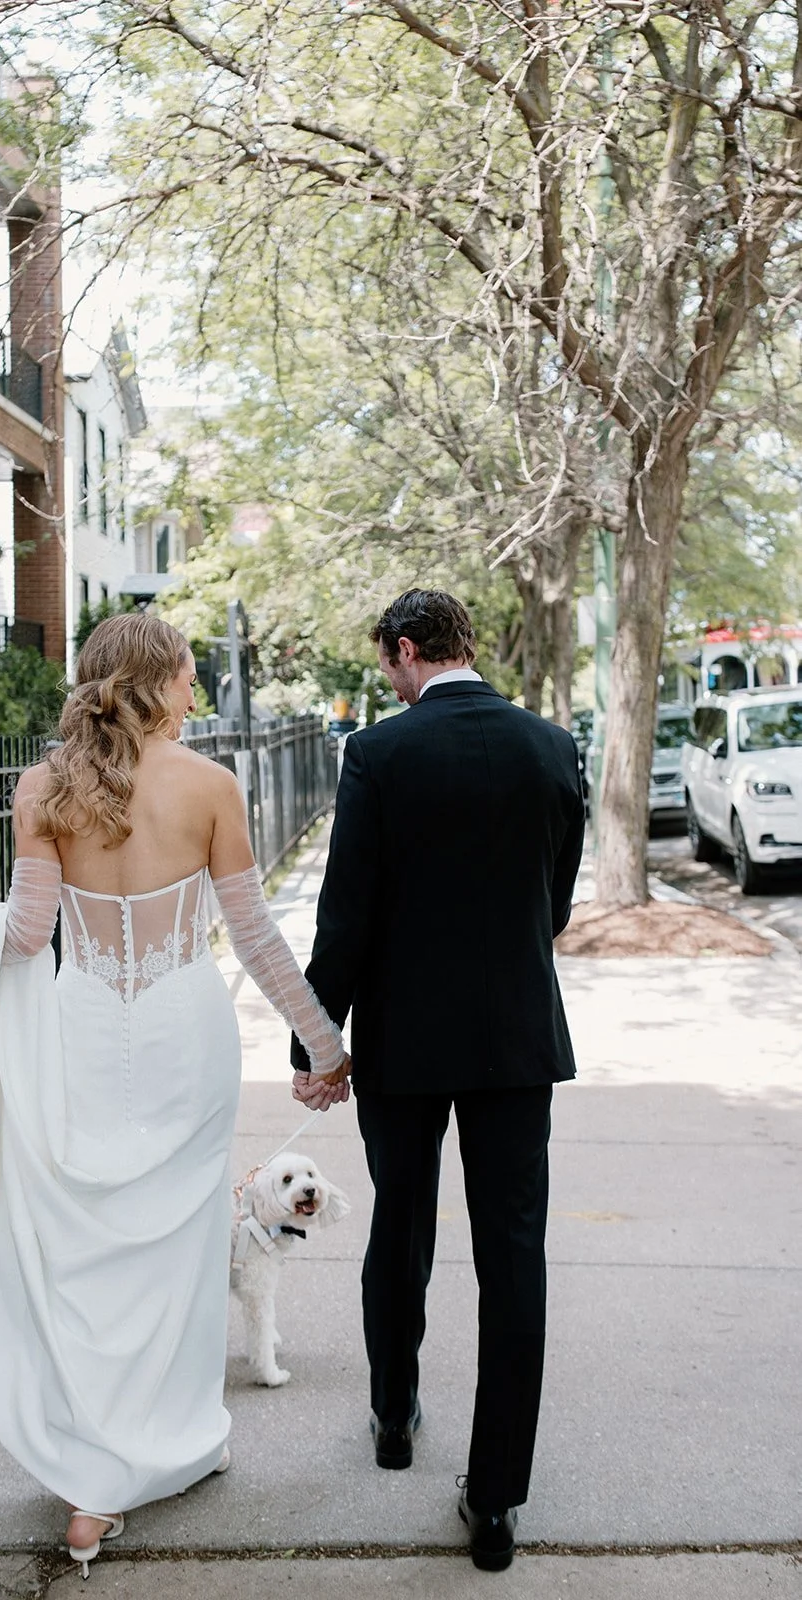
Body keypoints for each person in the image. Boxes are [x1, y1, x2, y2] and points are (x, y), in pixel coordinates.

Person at [0, 614, 348, 1575]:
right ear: (153, 682)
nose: (198, 692)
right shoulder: (209, 787)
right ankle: (165, 1445)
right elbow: (255, 939)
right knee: (175, 1249)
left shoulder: (44, 786)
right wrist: (324, 1046)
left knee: (89, 1249)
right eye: (190, 676)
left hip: (82, 1032)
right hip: (182, 1032)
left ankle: (92, 1480)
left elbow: (27, 934)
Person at [292, 588, 585, 1572]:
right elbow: (553, 902)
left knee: (400, 1225)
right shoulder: (551, 747)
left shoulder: (378, 754)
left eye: (387, 664)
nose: (388, 679)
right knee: (513, 1257)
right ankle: (497, 1499)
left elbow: (346, 916)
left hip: (405, 1043)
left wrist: (314, 1044)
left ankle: (390, 1415)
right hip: (514, 1041)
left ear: (407, 649)